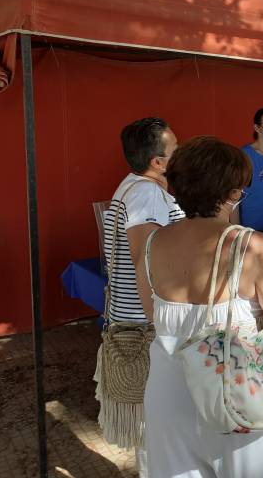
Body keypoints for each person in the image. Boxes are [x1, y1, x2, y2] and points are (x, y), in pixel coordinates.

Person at [138, 136, 263, 478]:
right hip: (240, 396)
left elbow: (153, 315)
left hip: (169, 397)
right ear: (232, 193)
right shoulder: (251, 246)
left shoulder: (153, 243)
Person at [97, 117, 184, 475]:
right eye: (175, 148)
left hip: (139, 318)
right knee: (156, 419)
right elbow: (142, 260)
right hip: (145, 325)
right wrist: (159, 322)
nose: (182, 152)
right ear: (158, 162)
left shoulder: (138, 185)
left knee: (155, 418)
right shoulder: (147, 194)